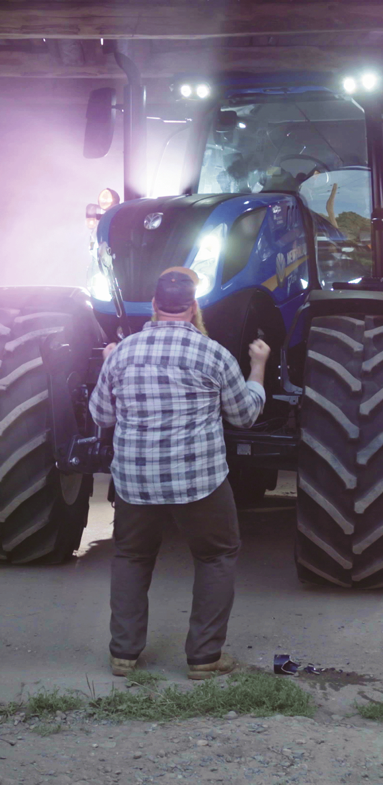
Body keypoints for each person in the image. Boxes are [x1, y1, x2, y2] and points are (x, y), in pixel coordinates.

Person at [89, 267, 270, 680]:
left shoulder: (123, 353)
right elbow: (244, 416)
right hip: (199, 483)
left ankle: (124, 654)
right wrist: (258, 366)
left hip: (135, 482)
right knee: (217, 555)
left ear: (153, 306)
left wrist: (108, 363)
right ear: (193, 308)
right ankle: (205, 658)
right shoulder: (214, 354)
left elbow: (100, 414)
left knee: (132, 557)